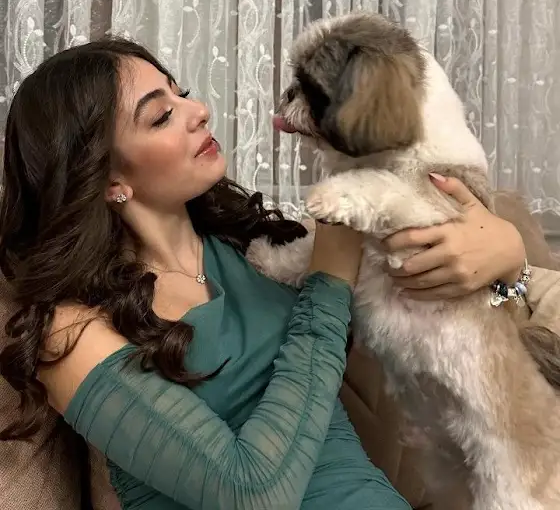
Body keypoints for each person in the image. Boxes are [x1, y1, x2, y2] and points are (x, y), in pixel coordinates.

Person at [0, 38, 526, 510]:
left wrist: (509, 261)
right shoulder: (70, 332)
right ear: (106, 178)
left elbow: (458, 330)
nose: (200, 111)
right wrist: (330, 281)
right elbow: (252, 493)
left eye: (183, 93)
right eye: (161, 116)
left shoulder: (255, 249)